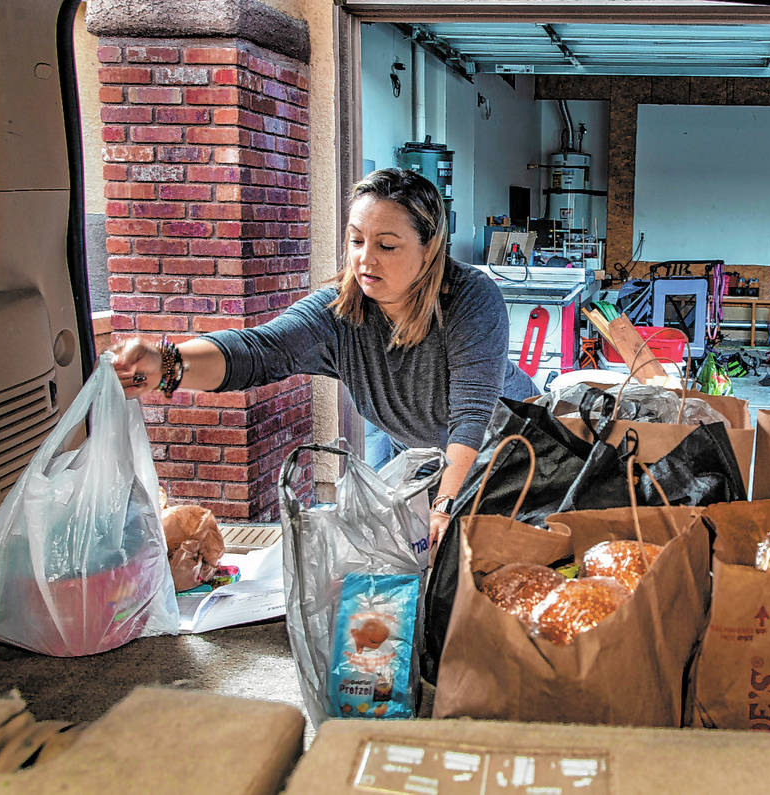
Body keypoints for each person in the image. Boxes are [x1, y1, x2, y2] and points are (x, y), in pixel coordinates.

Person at [112, 168, 536, 545]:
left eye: (386, 245)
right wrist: (168, 364)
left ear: (429, 251)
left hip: (521, 457)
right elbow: (262, 350)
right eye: (356, 240)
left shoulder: (470, 299)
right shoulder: (339, 314)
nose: (365, 259)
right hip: (436, 466)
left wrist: (445, 508)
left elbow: (472, 418)